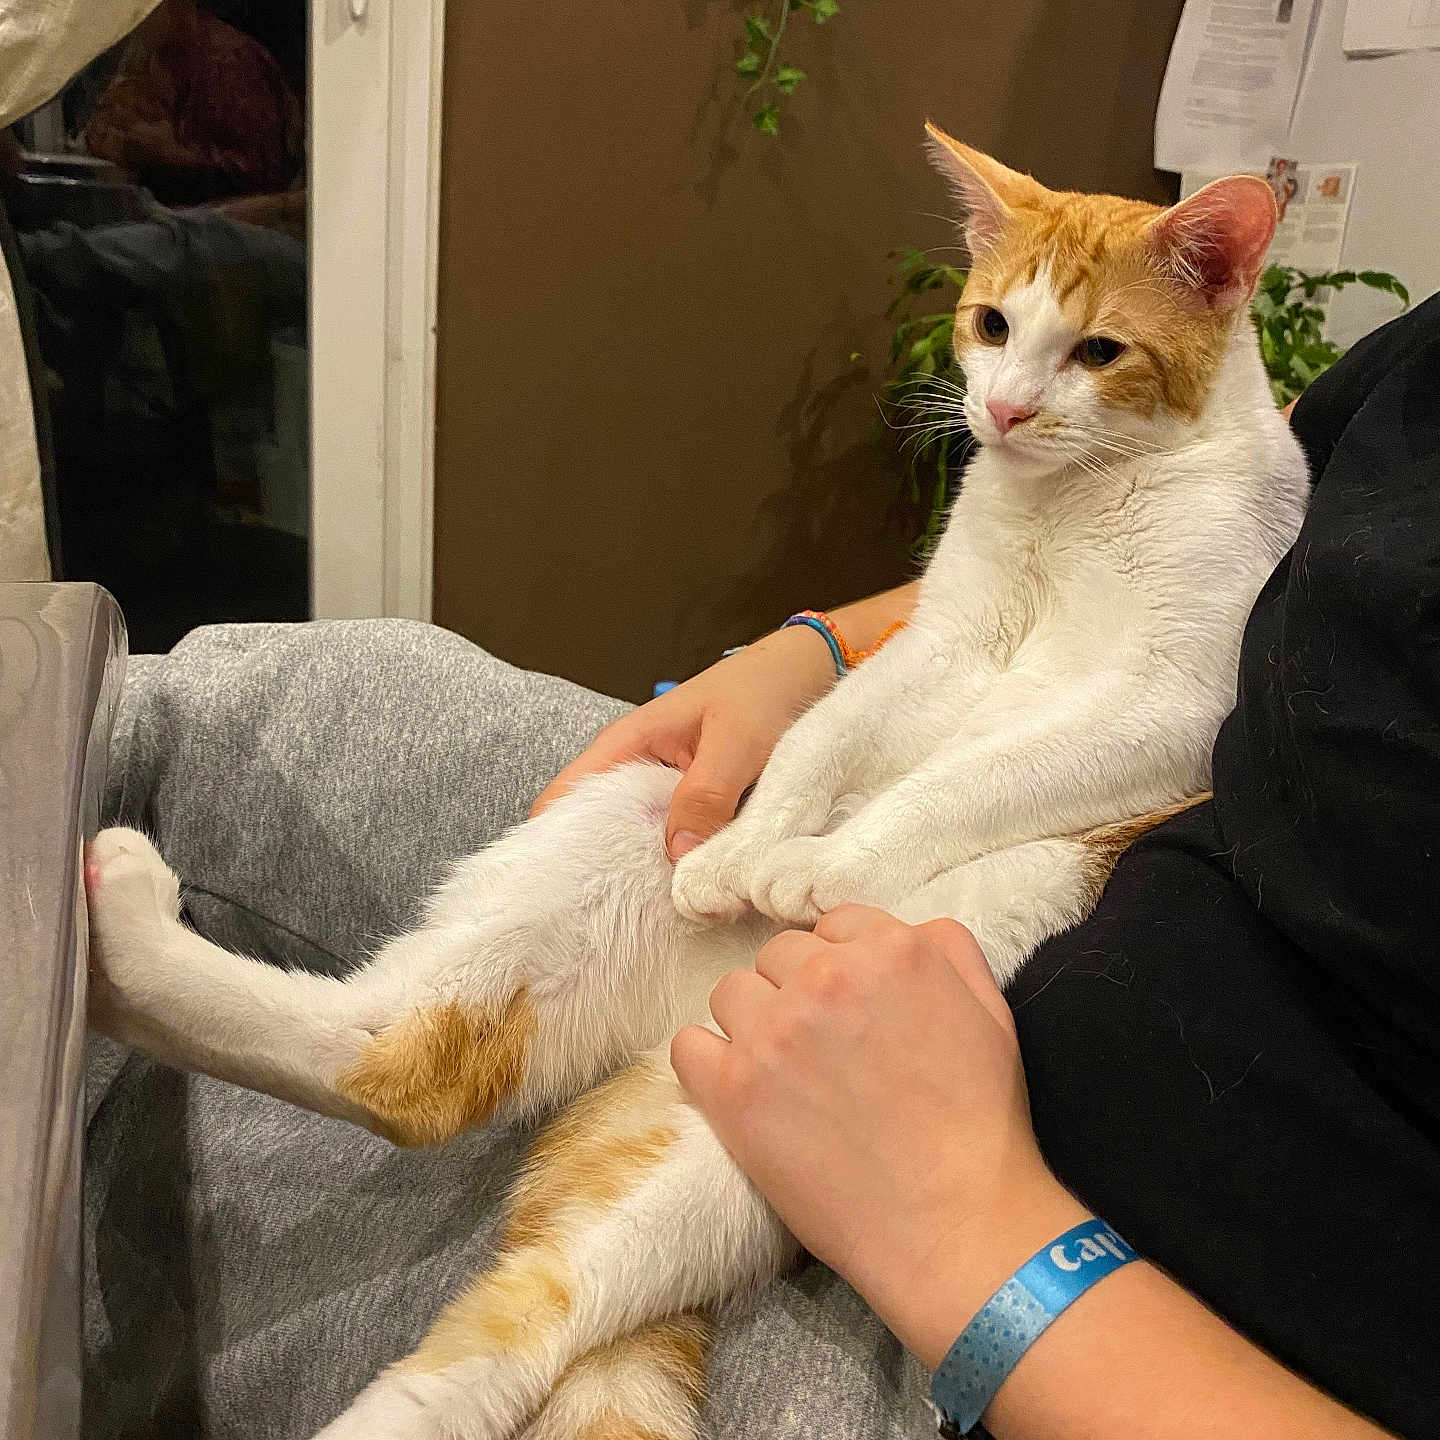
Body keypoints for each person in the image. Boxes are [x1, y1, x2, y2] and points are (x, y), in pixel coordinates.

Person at [89, 295, 1440, 1438]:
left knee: (458, 1309)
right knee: (292, 700)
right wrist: (806, 654)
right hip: (904, 905)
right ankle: (369, 1044)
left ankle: (442, 1390)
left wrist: (979, 1232)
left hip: (1054, 1288)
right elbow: (1214, 568)